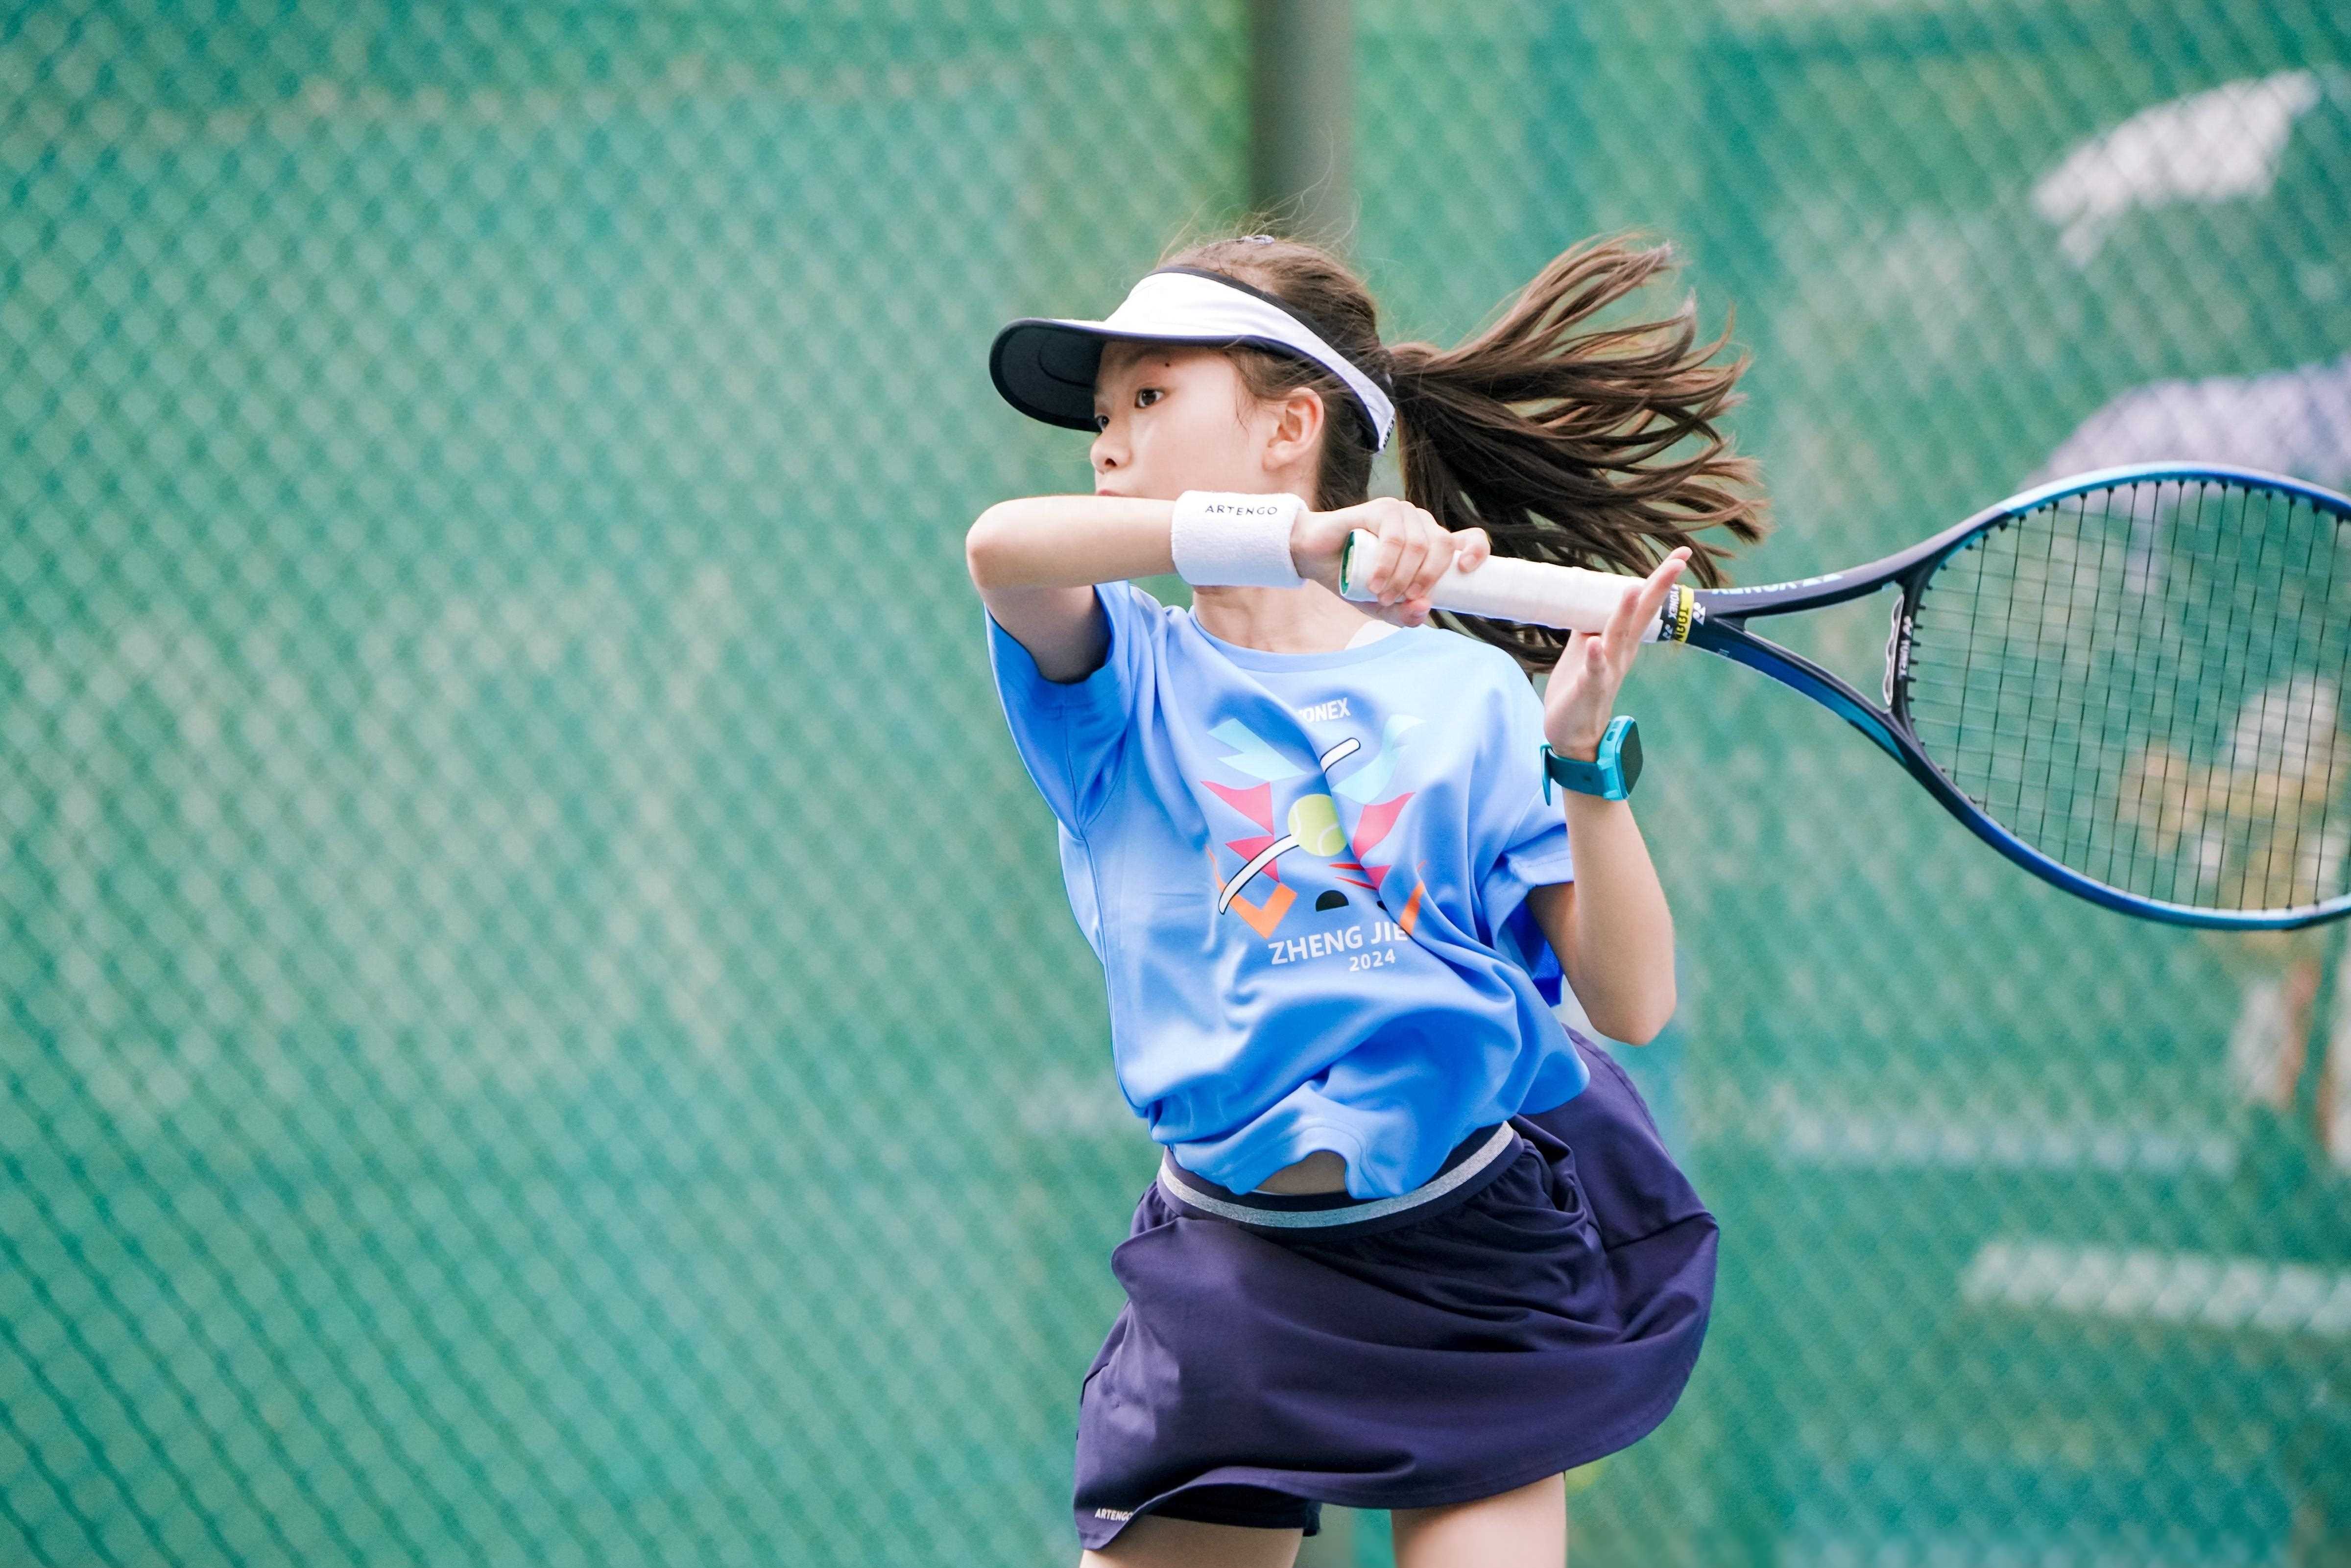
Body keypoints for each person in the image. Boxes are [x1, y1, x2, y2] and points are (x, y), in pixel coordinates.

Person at [968, 227, 1768, 1567]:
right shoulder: (1125, 682)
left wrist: (1580, 753)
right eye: (1100, 417)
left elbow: (1633, 998)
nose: (1108, 441)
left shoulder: (1464, 694)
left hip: (1472, 1271)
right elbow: (1006, 547)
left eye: (1150, 398)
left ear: (1291, 422)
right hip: (1235, 1275)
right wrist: (1293, 538)